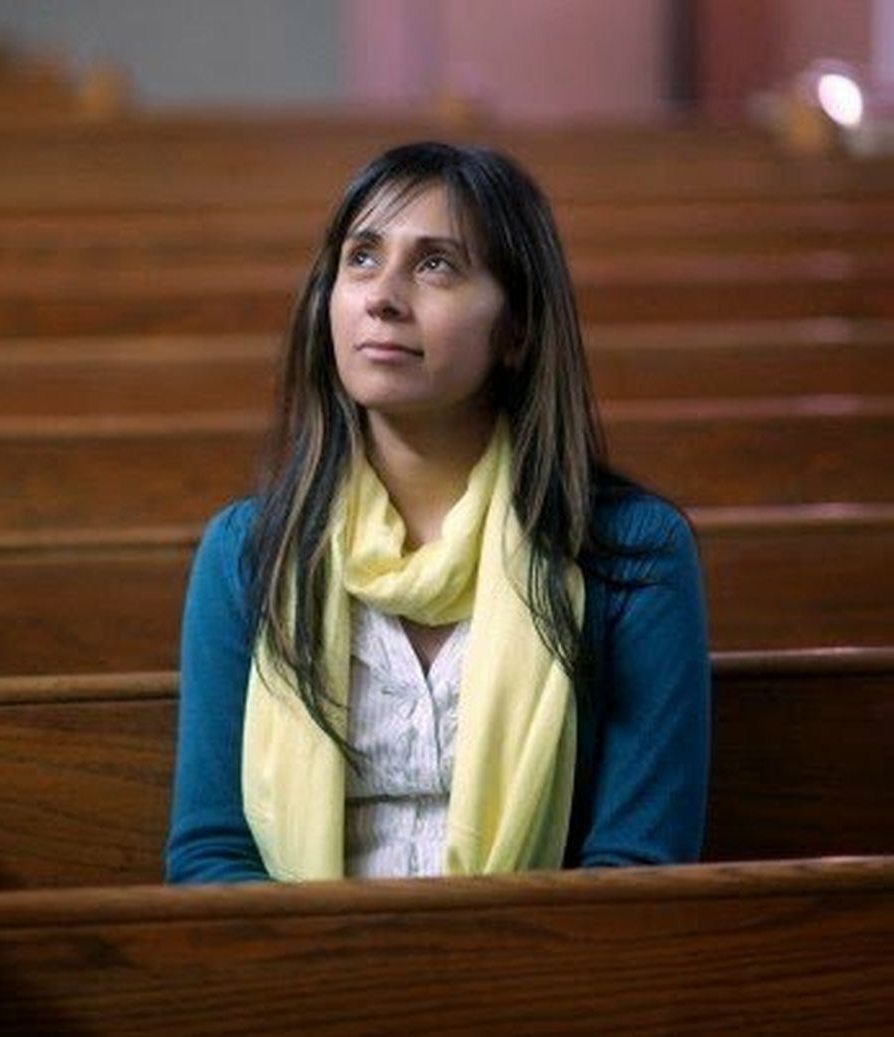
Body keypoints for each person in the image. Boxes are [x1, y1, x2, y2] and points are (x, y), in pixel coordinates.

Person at [166, 141, 710, 884]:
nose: (383, 296)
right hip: (301, 981)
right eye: (361, 259)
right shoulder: (249, 550)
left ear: (515, 328)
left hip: (552, 980)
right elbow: (212, 855)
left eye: (435, 265)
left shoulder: (632, 553)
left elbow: (636, 868)